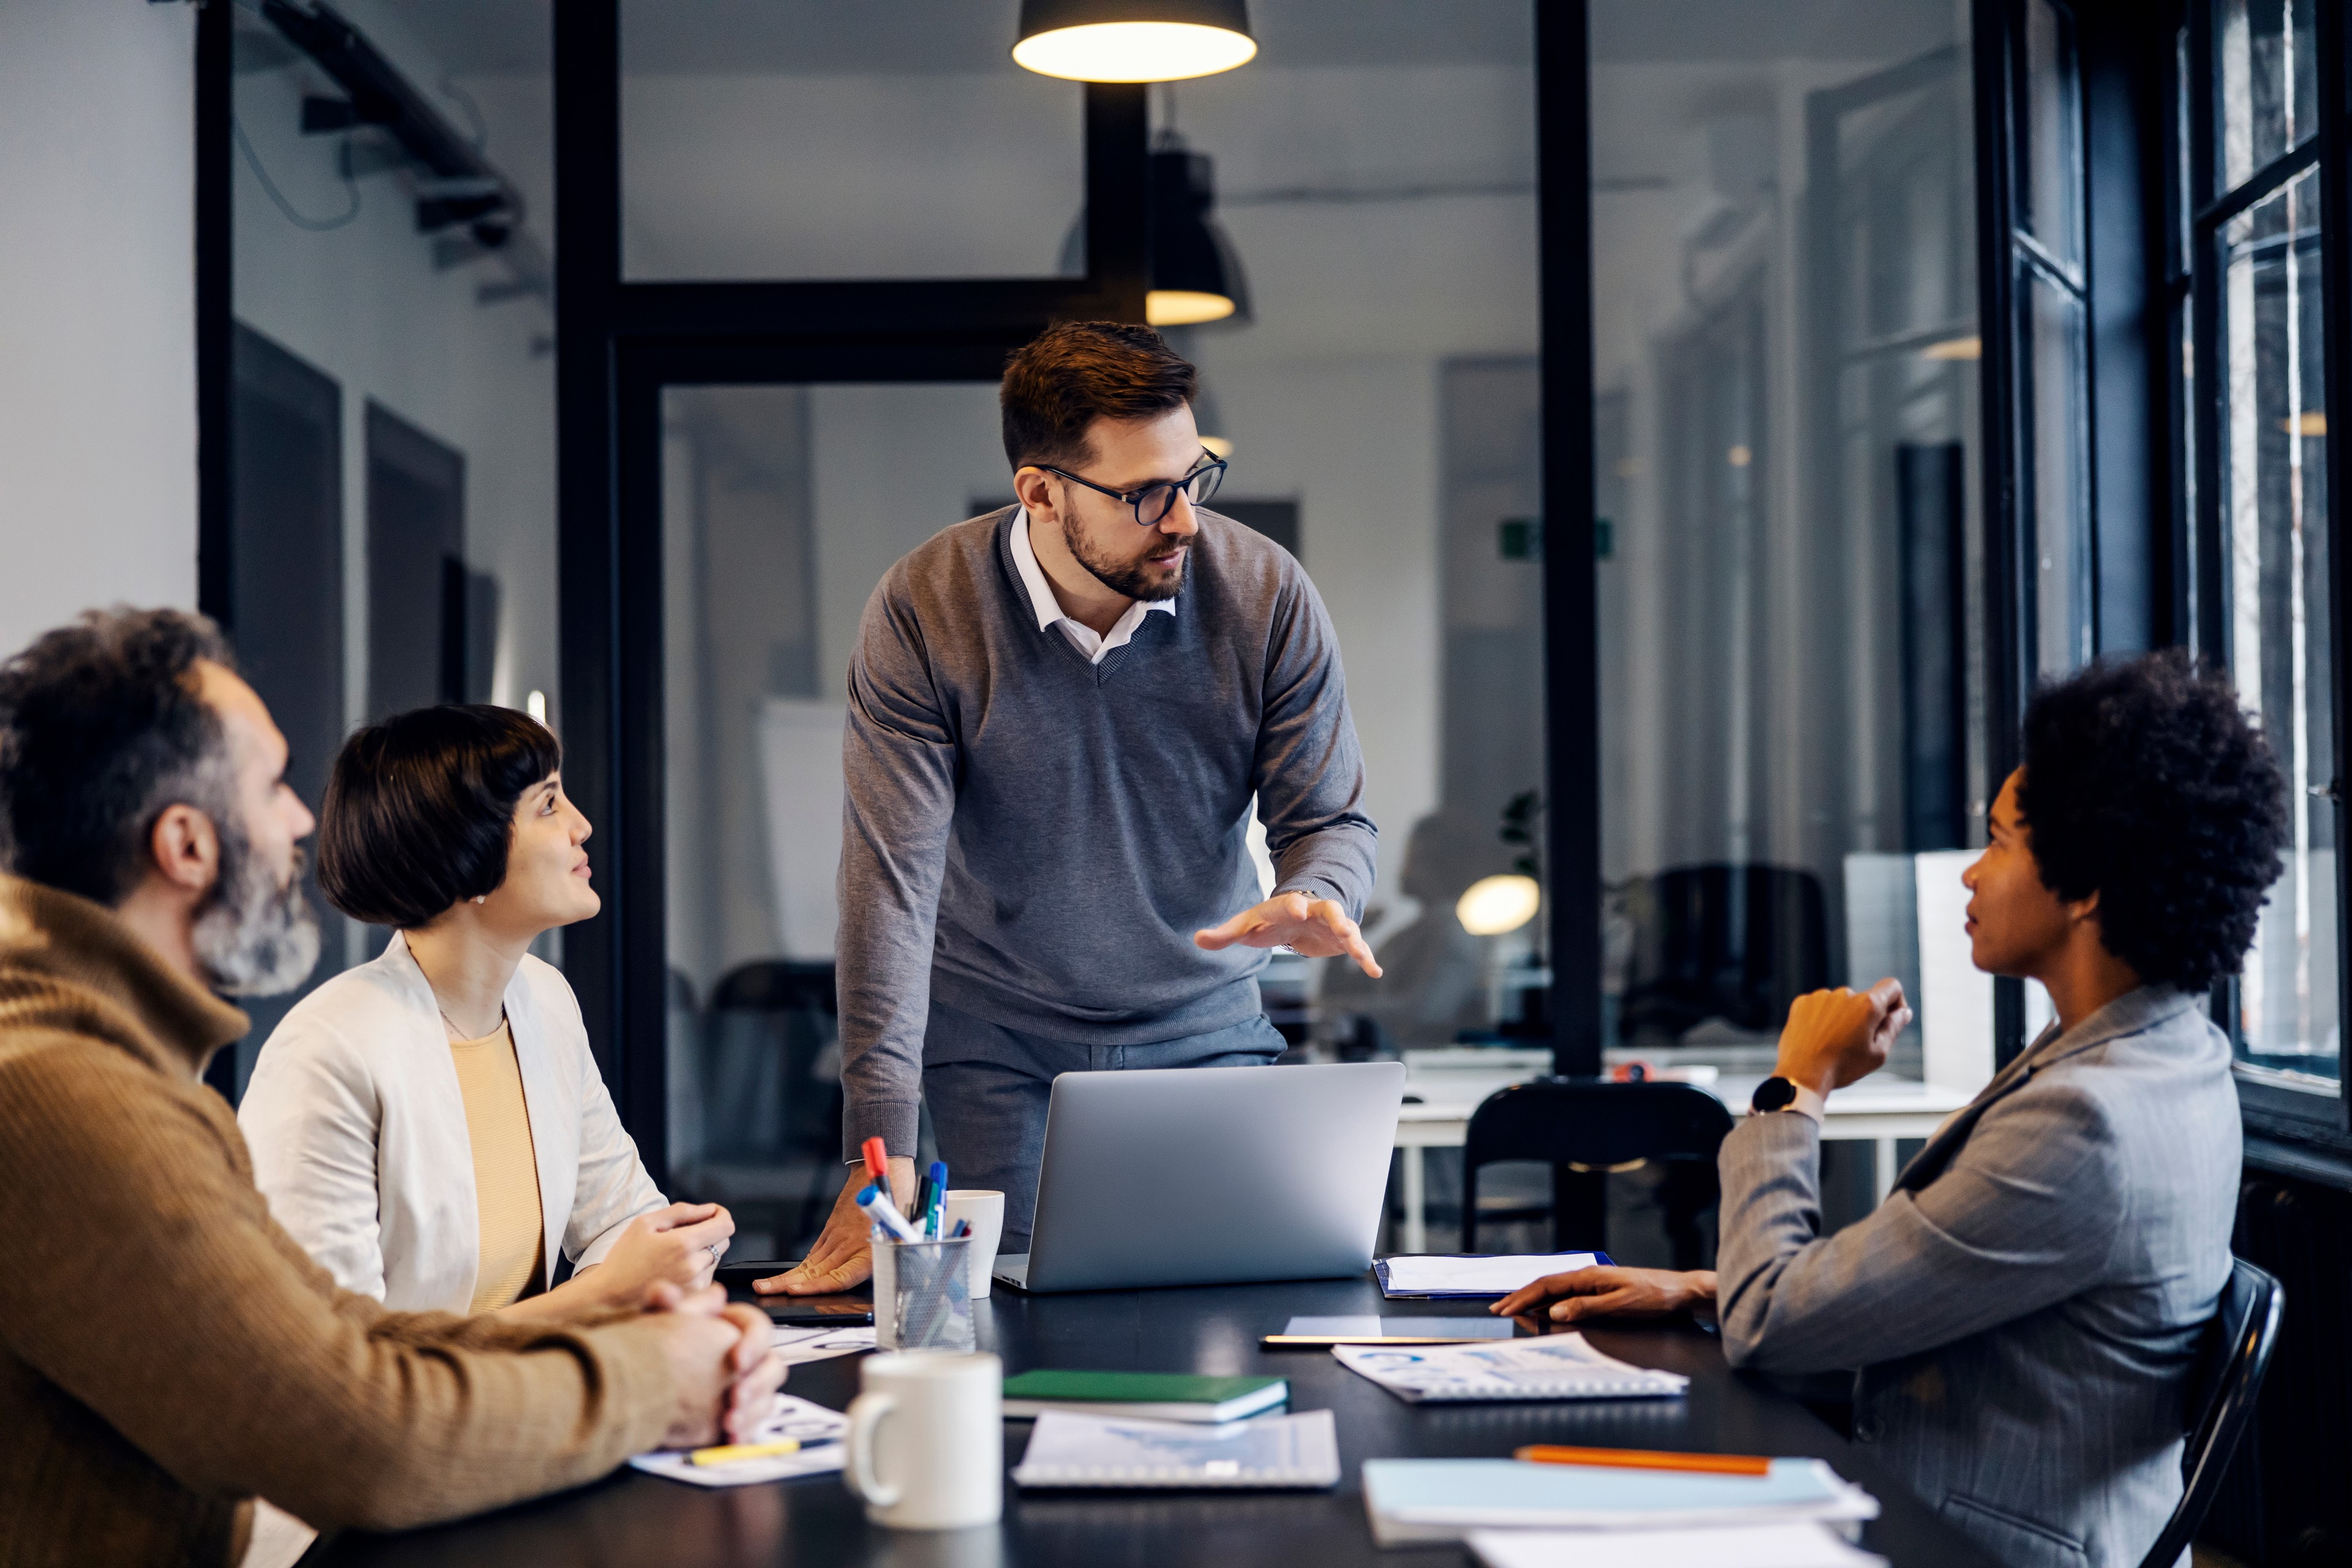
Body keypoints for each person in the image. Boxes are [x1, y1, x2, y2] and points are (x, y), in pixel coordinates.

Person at [0, 609, 782, 1568]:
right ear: (185, 846)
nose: (301, 821)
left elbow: (345, 1343)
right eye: (272, 786)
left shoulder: (104, 1068)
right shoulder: (64, 1094)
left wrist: (663, 1335)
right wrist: (653, 1379)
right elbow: (356, 1429)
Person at [1494, 651, 2288, 1568]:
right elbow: (1960, 1300)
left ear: (2087, 885)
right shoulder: (2168, 1054)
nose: (1970, 877)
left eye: (1997, 843)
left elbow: (1772, 1332)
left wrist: (1795, 1090)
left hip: (1962, 1545)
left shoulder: (2087, 1121)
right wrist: (1702, 1290)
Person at [763, 321, 1382, 1294]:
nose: (1182, 519)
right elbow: (892, 886)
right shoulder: (927, 608)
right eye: (1144, 494)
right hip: (999, 1047)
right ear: (1041, 493)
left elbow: (1330, 822)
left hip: (1204, 1034)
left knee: (1232, 1324)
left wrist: (1321, 890)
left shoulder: (1265, 594)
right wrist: (874, 1152)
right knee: (1008, 1332)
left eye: (1194, 477)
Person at [239, 705, 733, 1317]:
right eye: (549, 805)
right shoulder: (326, 1051)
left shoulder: (545, 999)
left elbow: (626, 1219)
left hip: (530, 1397)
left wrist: (674, 1252)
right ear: (466, 853)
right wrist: (602, 1293)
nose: (582, 825)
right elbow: (338, 1359)